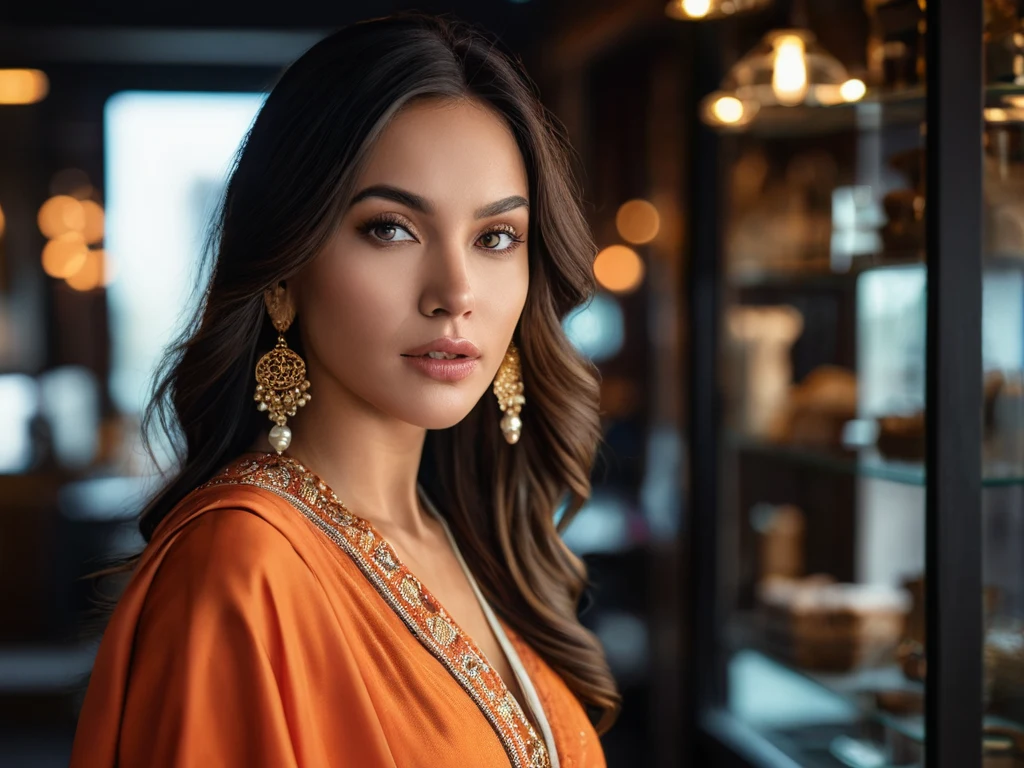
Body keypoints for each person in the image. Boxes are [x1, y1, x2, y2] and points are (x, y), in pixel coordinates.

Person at [70, 11, 620, 768]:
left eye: (495, 238)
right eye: (391, 228)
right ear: (284, 273)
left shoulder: (457, 534)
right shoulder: (240, 568)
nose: (455, 292)